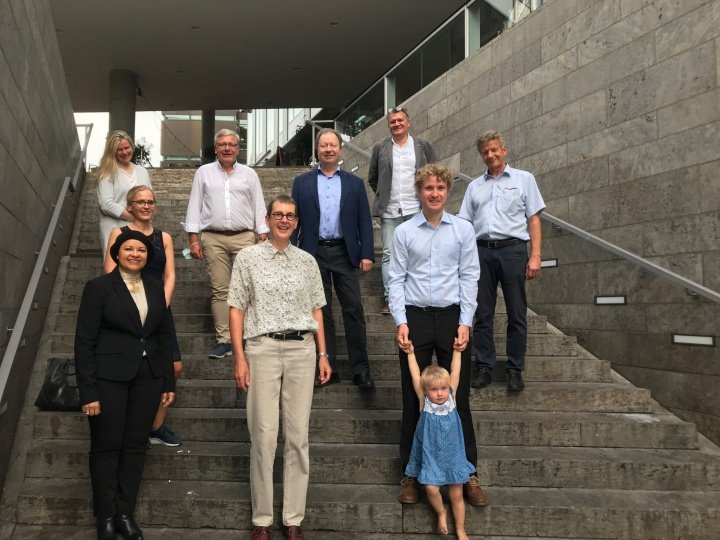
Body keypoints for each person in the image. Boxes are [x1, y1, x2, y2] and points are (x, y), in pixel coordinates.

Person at [228, 195, 331, 540]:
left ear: (297, 222)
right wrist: (239, 356)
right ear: (267, 219)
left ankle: (292, 519)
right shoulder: (248, 258)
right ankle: (261, 519)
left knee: (298, 436)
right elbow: (236, 308)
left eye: (290, 216)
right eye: (278, 215)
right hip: (262, 348)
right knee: (263, 435)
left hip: (302, 349)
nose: (284, 220)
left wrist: (323, 354)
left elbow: (317, 310)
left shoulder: (307, 262)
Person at [389, 163, 487, 507]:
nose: (434, 193)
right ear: (419, 192)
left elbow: (469, 277)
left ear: (447, 192)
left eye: (440, 188)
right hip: (414, 318)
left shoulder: (462, 230)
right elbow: (396, 279)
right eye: (428, 188)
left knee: (459, 399)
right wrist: (401, 322)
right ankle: (411, 474)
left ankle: (467, 472)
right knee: (413, 399)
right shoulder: (404, 232)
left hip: (451, 319)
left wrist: (465, 322)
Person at [75, 230, 175, 540]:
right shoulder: (98, 288)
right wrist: (88, 391)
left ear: (148, 257)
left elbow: (163, 335)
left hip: (147, 378)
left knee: (134, 447)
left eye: (141, 250)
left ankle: (124, 512)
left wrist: (168, 381)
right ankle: (105, 516)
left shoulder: (156, 287)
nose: (135, 254)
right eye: (128, 249)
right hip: (108, 379)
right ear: (117, 253)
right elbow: (84, 342)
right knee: (106, 447)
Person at [458, 131, 545, 392]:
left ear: (504, 150)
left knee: (516, 313)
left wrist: (536, 255)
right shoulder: (474, 186)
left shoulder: (524, 179)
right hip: (481, 252)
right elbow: (464, 223)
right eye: (485, 152)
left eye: (494, 150)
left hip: (513, 250)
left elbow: (534, 219)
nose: (490, 155)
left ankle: (514, 369)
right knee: (482, 313)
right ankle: (484, 366)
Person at [291, 128, 375, 389]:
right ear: (317, 150)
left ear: (340, 149)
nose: (328, 149)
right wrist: (291, 252)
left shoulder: (354, 183)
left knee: (353, 309)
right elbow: (294, 220)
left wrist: (367, 253)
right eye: (323, 145)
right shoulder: (302, 182)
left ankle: (360, 369)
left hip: (345, 252)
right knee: (321, 312)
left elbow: (364, 220)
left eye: (333, 145)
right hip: (312, 253)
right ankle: (328, 368)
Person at [104, 186, 183, 447]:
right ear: (131, 205)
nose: (146, 206)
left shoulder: (164, 237)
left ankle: (156, 426)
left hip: (159, 308)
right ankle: (135, 424)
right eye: (140, 202)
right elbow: (110, 274)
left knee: (174, 366)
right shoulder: (120, 233)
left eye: (150, 201)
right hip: (128, 310)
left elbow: (169, 275)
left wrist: (161, 304)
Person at [184, 128, 269, 359]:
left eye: (232, 144)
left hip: (245, 237)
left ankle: (248, 336)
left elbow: (259, 205)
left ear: (238, 149)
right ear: (216, 149)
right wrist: (193, 239)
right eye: (222, 144)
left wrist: (263, 235)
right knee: (220, 289)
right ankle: (225, 340)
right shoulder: (203, 173)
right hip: (213, 238)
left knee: (248, 288)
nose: (227, 148)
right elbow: (195, 205)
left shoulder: (250, 174)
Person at [368, 106, 437, 314]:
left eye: (400, 120)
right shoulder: (380, 148)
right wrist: (383, 194)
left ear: (408, 122)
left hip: (416, 208)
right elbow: (373, 178)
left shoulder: (422, 145)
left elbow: (434, 174)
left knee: (418, 254)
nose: (396, 124)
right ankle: (391, 300)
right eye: (392, 121)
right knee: (389, 254)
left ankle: (416, 296)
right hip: (390, 211)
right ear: (389, 125)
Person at [405, 348, 474, 540]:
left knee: (457, 495)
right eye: (434, 390)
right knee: (430, 488)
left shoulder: (451, 399)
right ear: (426, 391)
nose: (440, 393)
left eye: (443, 388)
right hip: (432, 456)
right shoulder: (424, 401)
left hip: (453, 456)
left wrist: (457, 352)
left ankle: (461, 529)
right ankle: (441, 513)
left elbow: (456, 372)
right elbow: (415, 375)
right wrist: (410, 354)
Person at [96, 130, 152, 256]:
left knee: (139, 264)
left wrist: (145, 220)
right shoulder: (107, 172)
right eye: (119, 149)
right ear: (112, 152)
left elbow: (149, 199)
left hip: (141, 228)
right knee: (116, 267)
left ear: (132, 147)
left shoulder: (142, 171)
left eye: (127, 147)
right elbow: (106, 204)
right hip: (115, 227)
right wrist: (135, 218)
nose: (125, 152)